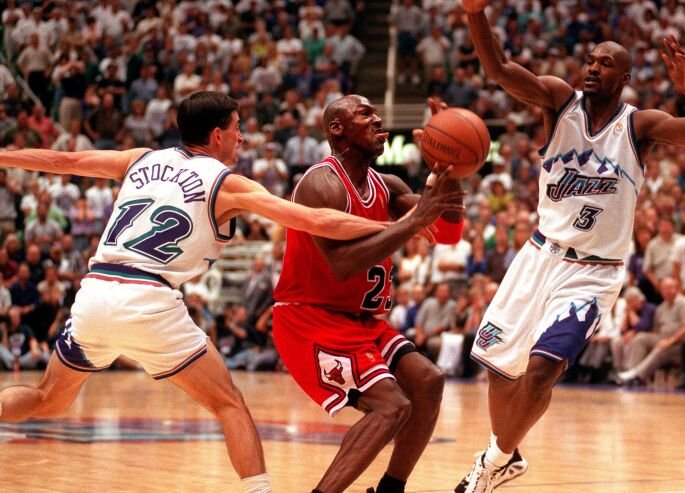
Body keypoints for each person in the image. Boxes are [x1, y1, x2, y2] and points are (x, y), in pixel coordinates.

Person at [0, 91, 393, 493]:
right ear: (218, 134)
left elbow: (62, 161)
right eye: (237, 128)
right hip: (149, 299)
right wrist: (397, 227)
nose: (242, 137)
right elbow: (316, 220)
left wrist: (4, 156)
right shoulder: (228, 184)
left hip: (95, 293)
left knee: (46, 397)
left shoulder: (139, 158)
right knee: (229, 403)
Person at [457, 1, 685, 491]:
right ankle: (507, 456)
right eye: (590, 60)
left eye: (605, 63)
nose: (593, 68)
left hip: (592, 273)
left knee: (541, 372)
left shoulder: (639, 126)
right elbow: (499, 70)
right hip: (538, 256)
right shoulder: (559, 102)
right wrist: (475, 14)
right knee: (499, 369)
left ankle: (492, 461)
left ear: (624, 77)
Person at [272, 94, 465, 493]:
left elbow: (448, 230)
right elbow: (341, 265)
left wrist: (452, 166)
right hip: (310, 319)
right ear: (337, 129)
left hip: (362, 322)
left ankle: (391, 489)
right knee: (390, 406)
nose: (378, 119)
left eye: (377, 113)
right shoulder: (320, 184)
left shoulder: (387, 186)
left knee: (428, 381)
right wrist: (411, 223)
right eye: (365, 114)